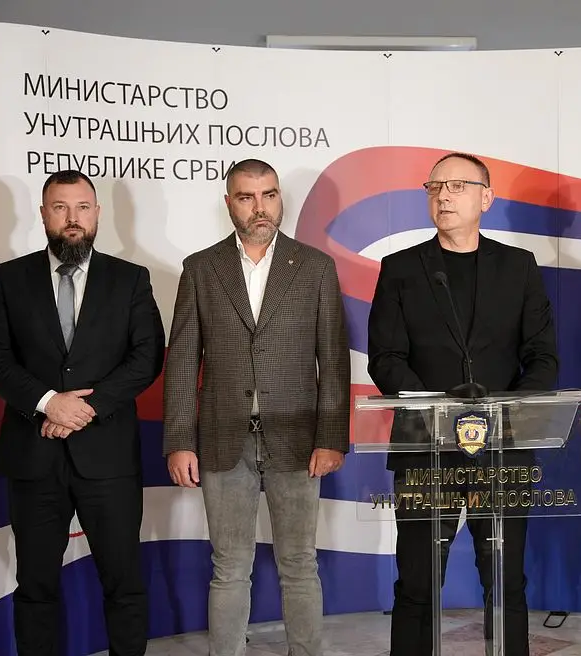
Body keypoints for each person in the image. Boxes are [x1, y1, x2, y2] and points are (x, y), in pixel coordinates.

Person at [367, 152, 558, 656]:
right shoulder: (401, 269)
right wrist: (439, 411)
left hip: (502, 450)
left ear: (486, 198)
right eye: (434, 187)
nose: (443, 196)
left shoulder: (518, 267)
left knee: (505, 580)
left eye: (456, 186)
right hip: (424, 449)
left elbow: (543, 357)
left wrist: (503, 413)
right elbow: (386, 359)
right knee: (417, 582)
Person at [0, 169, 165, 656]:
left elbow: (147, 357)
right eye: (60, 207)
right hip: (34, 457)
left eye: (82, 207)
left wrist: (86, 407)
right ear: (43, 214)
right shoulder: (8, 278)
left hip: (108, 459)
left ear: (97, 213)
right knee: (36, 587)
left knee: (123, 582)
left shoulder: (130, 279)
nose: (72, 218)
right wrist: (48, 402)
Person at [162, 158, 349, 656]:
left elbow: (333, 359)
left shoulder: (315, 267)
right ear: (229, 203)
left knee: (299, 563)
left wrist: (331, 437)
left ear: (279, 198)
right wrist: (179, 441)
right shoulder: (201, 268)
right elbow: (182, 360)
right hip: (223, 438)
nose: (260, 207)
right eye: (247, 197)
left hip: (298, 439)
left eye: (269, 195)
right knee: (229, 567)